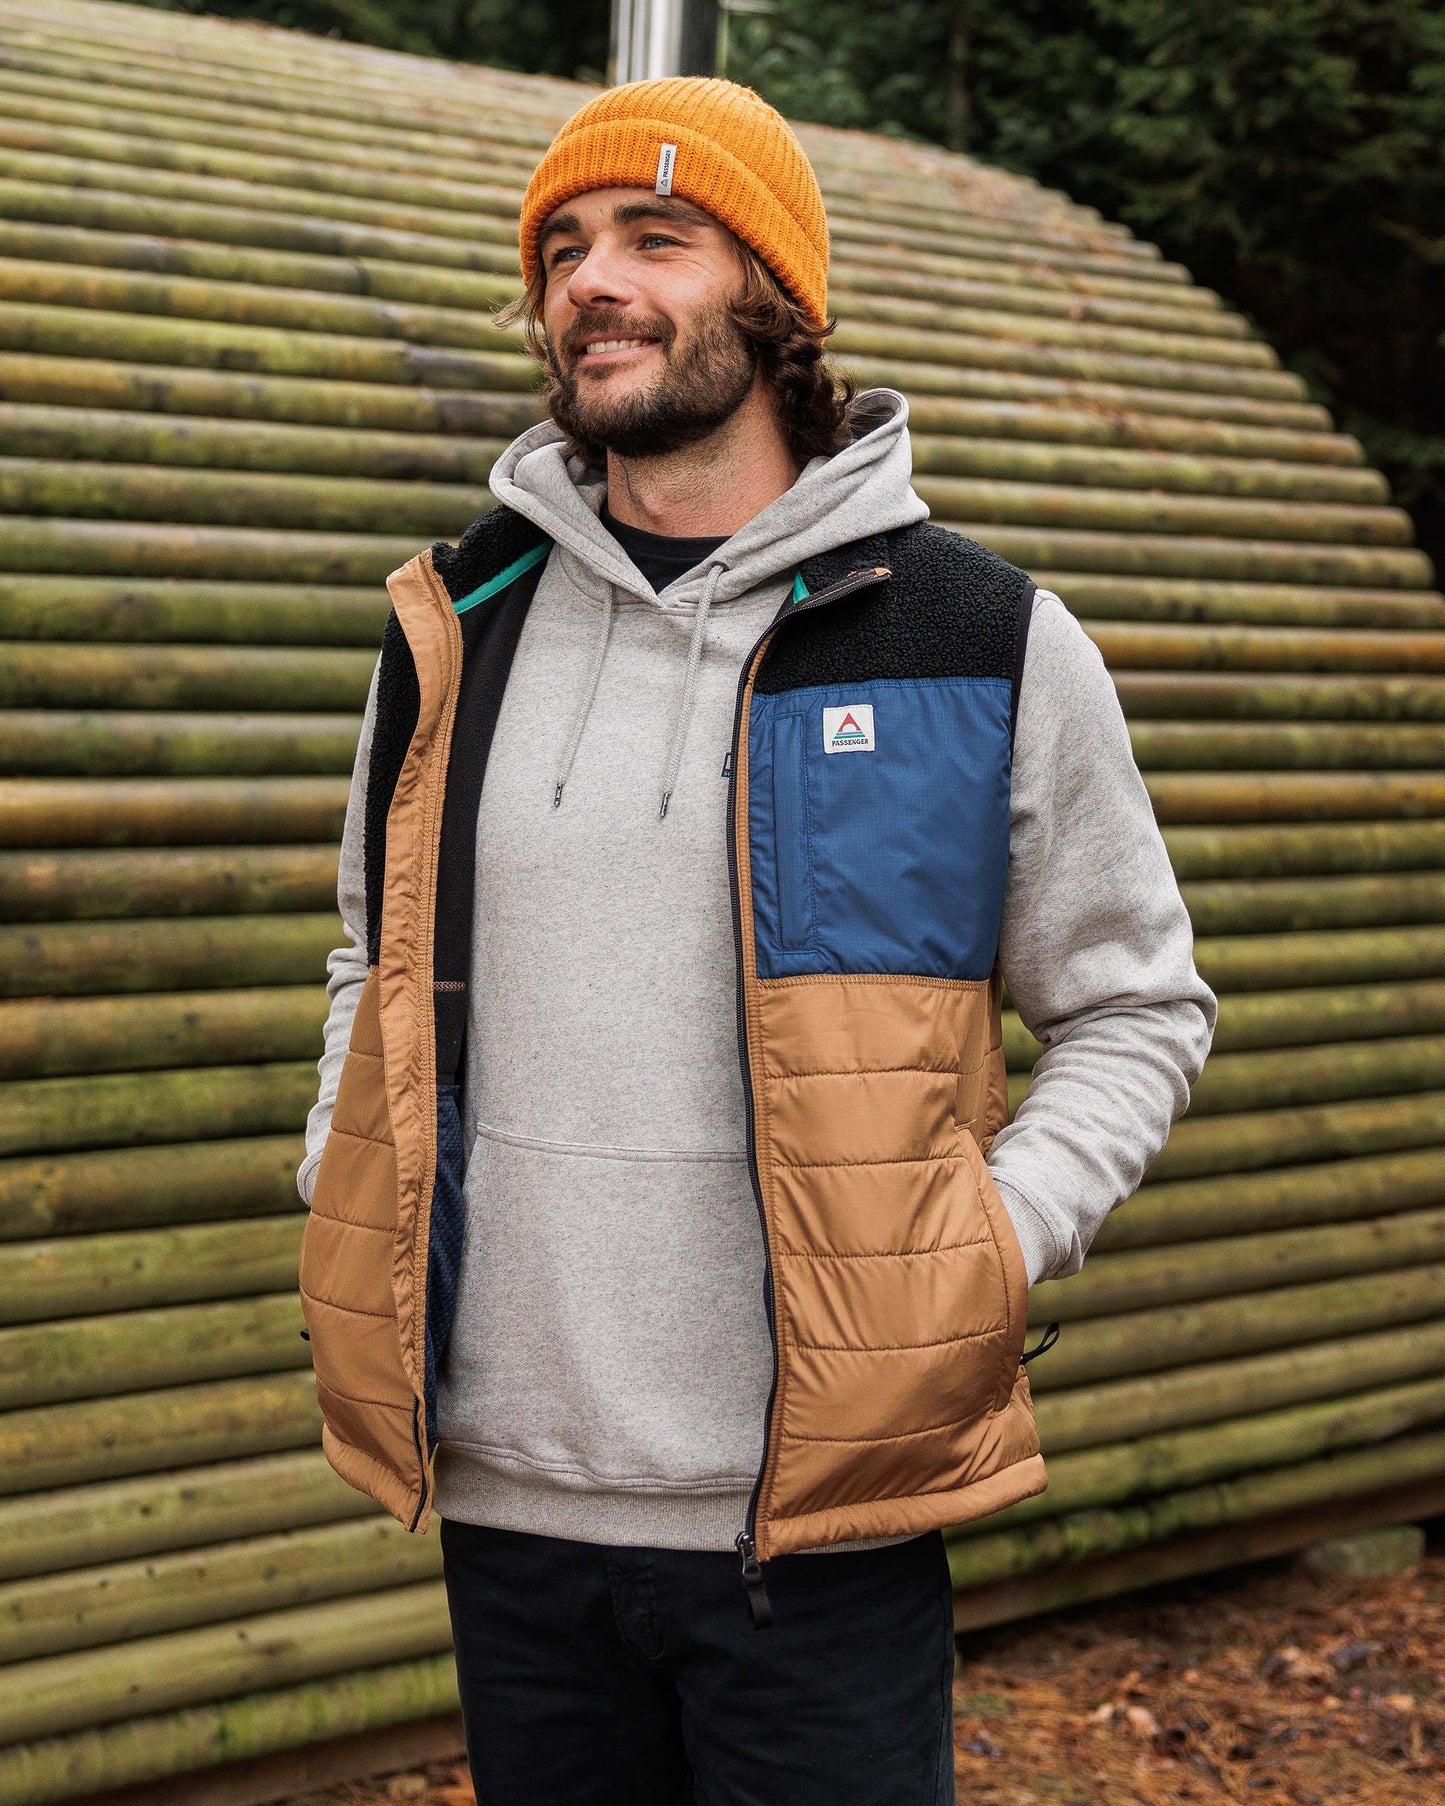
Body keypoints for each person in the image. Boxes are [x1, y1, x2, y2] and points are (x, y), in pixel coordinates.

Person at [297, 76, 1216, 1806]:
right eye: (562, 250)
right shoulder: (453, 628)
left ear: (776, 298)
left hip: (817, 1520)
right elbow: (376, 961)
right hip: (510, 1499)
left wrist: (985, 1249)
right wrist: (343, 1176)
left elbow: (1136, 1003)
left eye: (657, 237)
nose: (590, 281)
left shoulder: (974, 638)